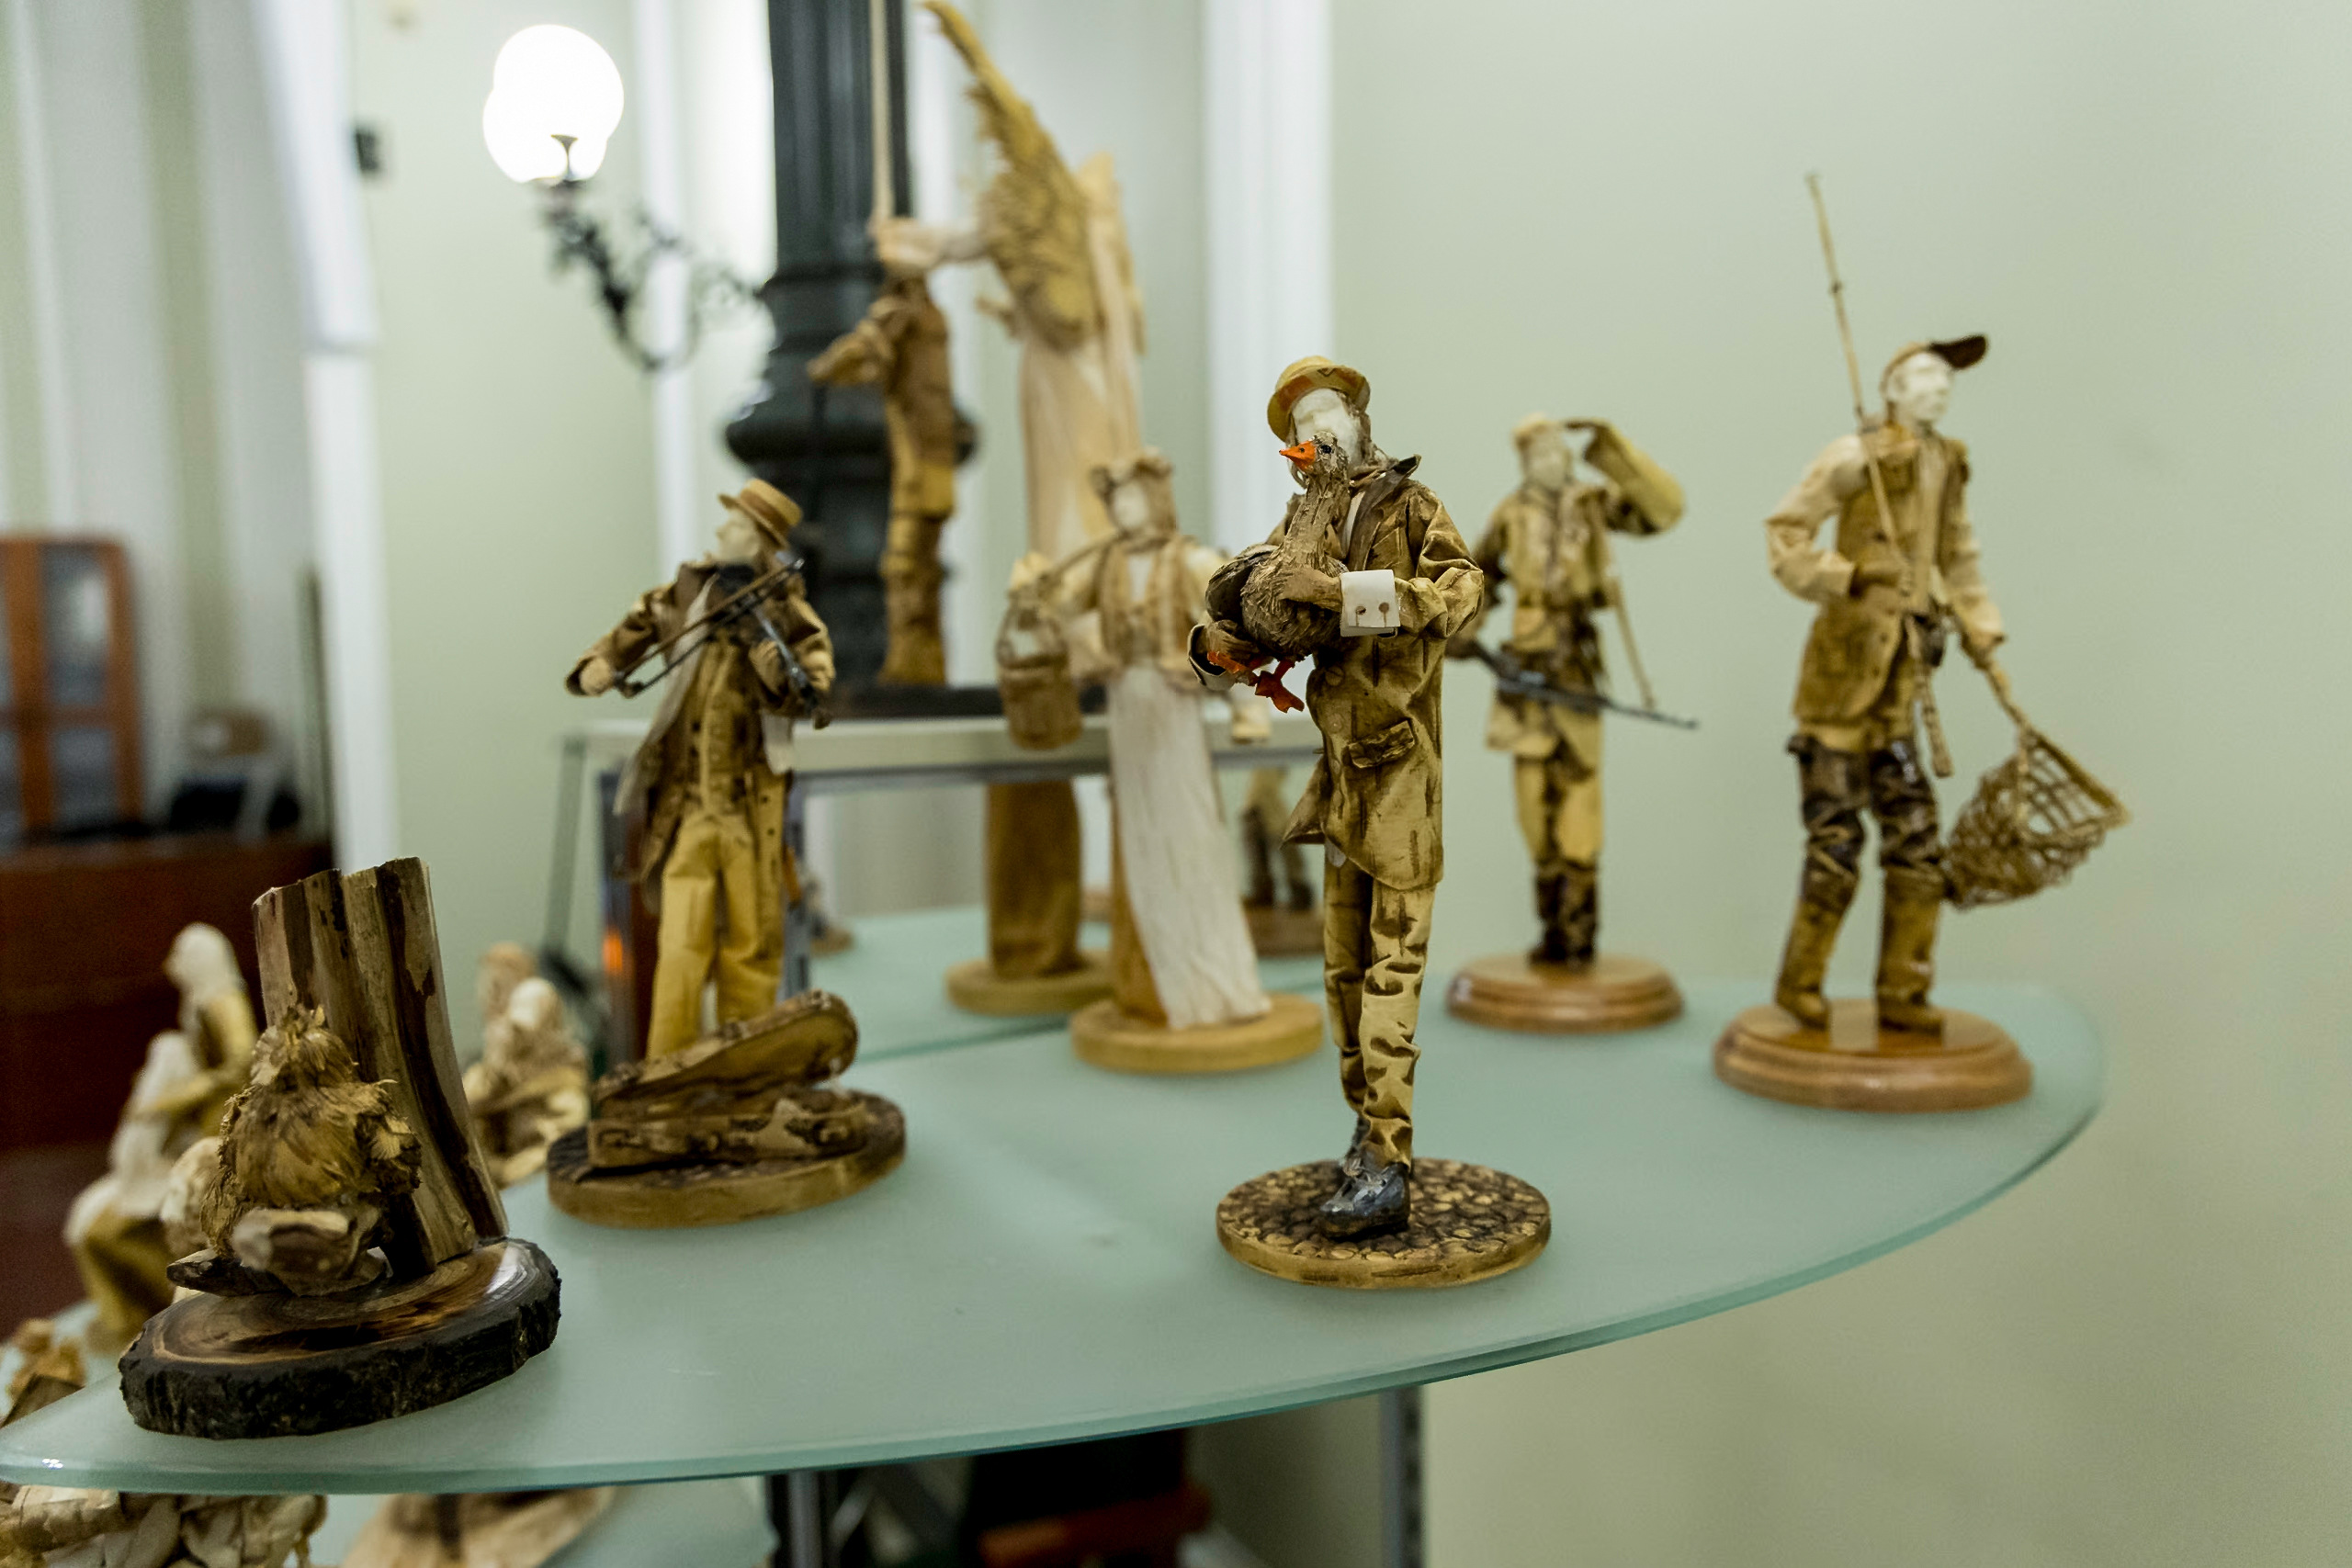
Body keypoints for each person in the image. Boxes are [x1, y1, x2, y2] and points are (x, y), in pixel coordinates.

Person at [1192, 357, 1482, 1236]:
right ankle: (1366, 1128)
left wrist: (1344, 595)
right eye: (1301, 424)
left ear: (1359, 419)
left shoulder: (1413, 509)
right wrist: (1217, 645)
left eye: (1329, 413)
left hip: (1401, 772)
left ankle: (1390, 1156)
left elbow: (1460, 594)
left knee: (1394, 969)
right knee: (1342, 969)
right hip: (1339, 771)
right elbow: (1262, 607)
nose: (1317, 431)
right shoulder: (1299, 521)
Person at [1763, 335, 2003, 1033]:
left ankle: (1904, 988)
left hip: (1902, 688)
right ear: (1893, 387)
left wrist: (1980, 626)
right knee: (1835, 842)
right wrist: (1847, 576)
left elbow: (1958, 552)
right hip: (1840, 686)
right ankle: (1801, 982)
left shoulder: (1946, 461)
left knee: (1918, 842)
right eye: (1925, 374)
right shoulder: (1852, 455)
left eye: (1946, 376)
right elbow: (1785, 535)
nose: (1940, 385)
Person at [568, 480, 834, 1057]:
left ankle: (744, 1068)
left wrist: (778, 679)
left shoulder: (785, 609)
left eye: (734, 526)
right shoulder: (691, 591)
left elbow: (815, 692)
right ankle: (670, 1069)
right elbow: (639, 623)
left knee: (750, 946)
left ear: (758, 543)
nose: (721, 532)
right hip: (689, 807)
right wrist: (602, 663)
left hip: (750, 812)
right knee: (680, 945)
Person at [1020, 449, 1272, 1033]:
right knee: (1140, 834)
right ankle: (1161, 977)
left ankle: (1212, 981)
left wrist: (1246, 706)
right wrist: (1042, 597)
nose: (1124, 510)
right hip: (1127, 704)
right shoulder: (1104, 563)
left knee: (1190, 827)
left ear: (1157, 500)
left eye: (1133, 497)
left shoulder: (1186, 560)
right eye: (1116, 500)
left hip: (1173, 702)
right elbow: (1059, 603)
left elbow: (1229, 626)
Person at [1458, 414, 1683, 964]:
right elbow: (1476, 573)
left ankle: (1580, 932)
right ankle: (1552, 928)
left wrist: (1612, 447)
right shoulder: (1510, 514)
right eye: (1538, 453)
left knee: (1581, 797)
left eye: (1558, 451)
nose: (1551, 461)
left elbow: (1662, 511)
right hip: (1523, 670)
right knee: (1533, 802)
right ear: (1524, 462)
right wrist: (1460, 630)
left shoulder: (1593, 505)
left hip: (1577, 667)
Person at [807, 222, 966, 685]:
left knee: (907, 562)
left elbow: (864, 352)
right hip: (933, 455)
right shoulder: (928, 315)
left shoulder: (907, 314)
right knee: (920, 563)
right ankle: (921, 658)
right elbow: (869, 354)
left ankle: (916, 661)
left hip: (922, 458)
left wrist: (825, 368)